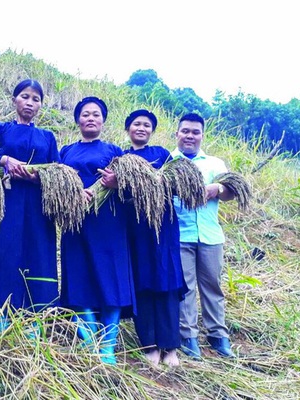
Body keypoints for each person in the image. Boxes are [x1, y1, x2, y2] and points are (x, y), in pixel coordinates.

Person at [59, 96, 136, 365]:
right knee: (78, 277)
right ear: (78, 120)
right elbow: (56, 181)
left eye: (96, 115)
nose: (90, 118)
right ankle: (90, 337)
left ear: (103, 121)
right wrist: (73, 192)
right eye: (85, 114)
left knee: (111, 279)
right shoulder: (66, 151)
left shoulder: (115, 151)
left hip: (108, 223)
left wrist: (117, 182)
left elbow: (132, 183)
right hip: (75, 222)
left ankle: (108, 346)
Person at [0, 79, 60, 329]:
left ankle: (35, 323)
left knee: (39, 255)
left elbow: (58, 170)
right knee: (4, 254)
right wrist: (4, 159)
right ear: (15, 99)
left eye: (36, 99)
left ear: (40, 105)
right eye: (25, 96)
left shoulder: (47, 137)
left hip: (39, 207)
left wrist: (37, 175)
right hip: (7, 201)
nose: (30, 102)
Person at [123, 109, 187, 367]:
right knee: (143, 283)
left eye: (146, 125)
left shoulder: (162, 154)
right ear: (128, 129)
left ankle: (170, 347)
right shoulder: (122, 157)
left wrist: (154, 181)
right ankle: (149, 346)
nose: (141, 128)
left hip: (163, 228)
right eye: (136, 124)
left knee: (168, 282)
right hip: (136, 229)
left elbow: (177, 182)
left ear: (152, 130)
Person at [171, 113, 236, 359]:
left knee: (212, 286)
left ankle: (218, 336)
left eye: (195, 132)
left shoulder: (215, 164)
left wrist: (217, 189)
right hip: (180, 235)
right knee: (185, 288)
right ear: (177, 133)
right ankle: (188, 337)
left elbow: (231, 191)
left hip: (210, 235)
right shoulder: (168, 161)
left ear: (202, 135)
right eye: (185, 131)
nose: (190, 136)